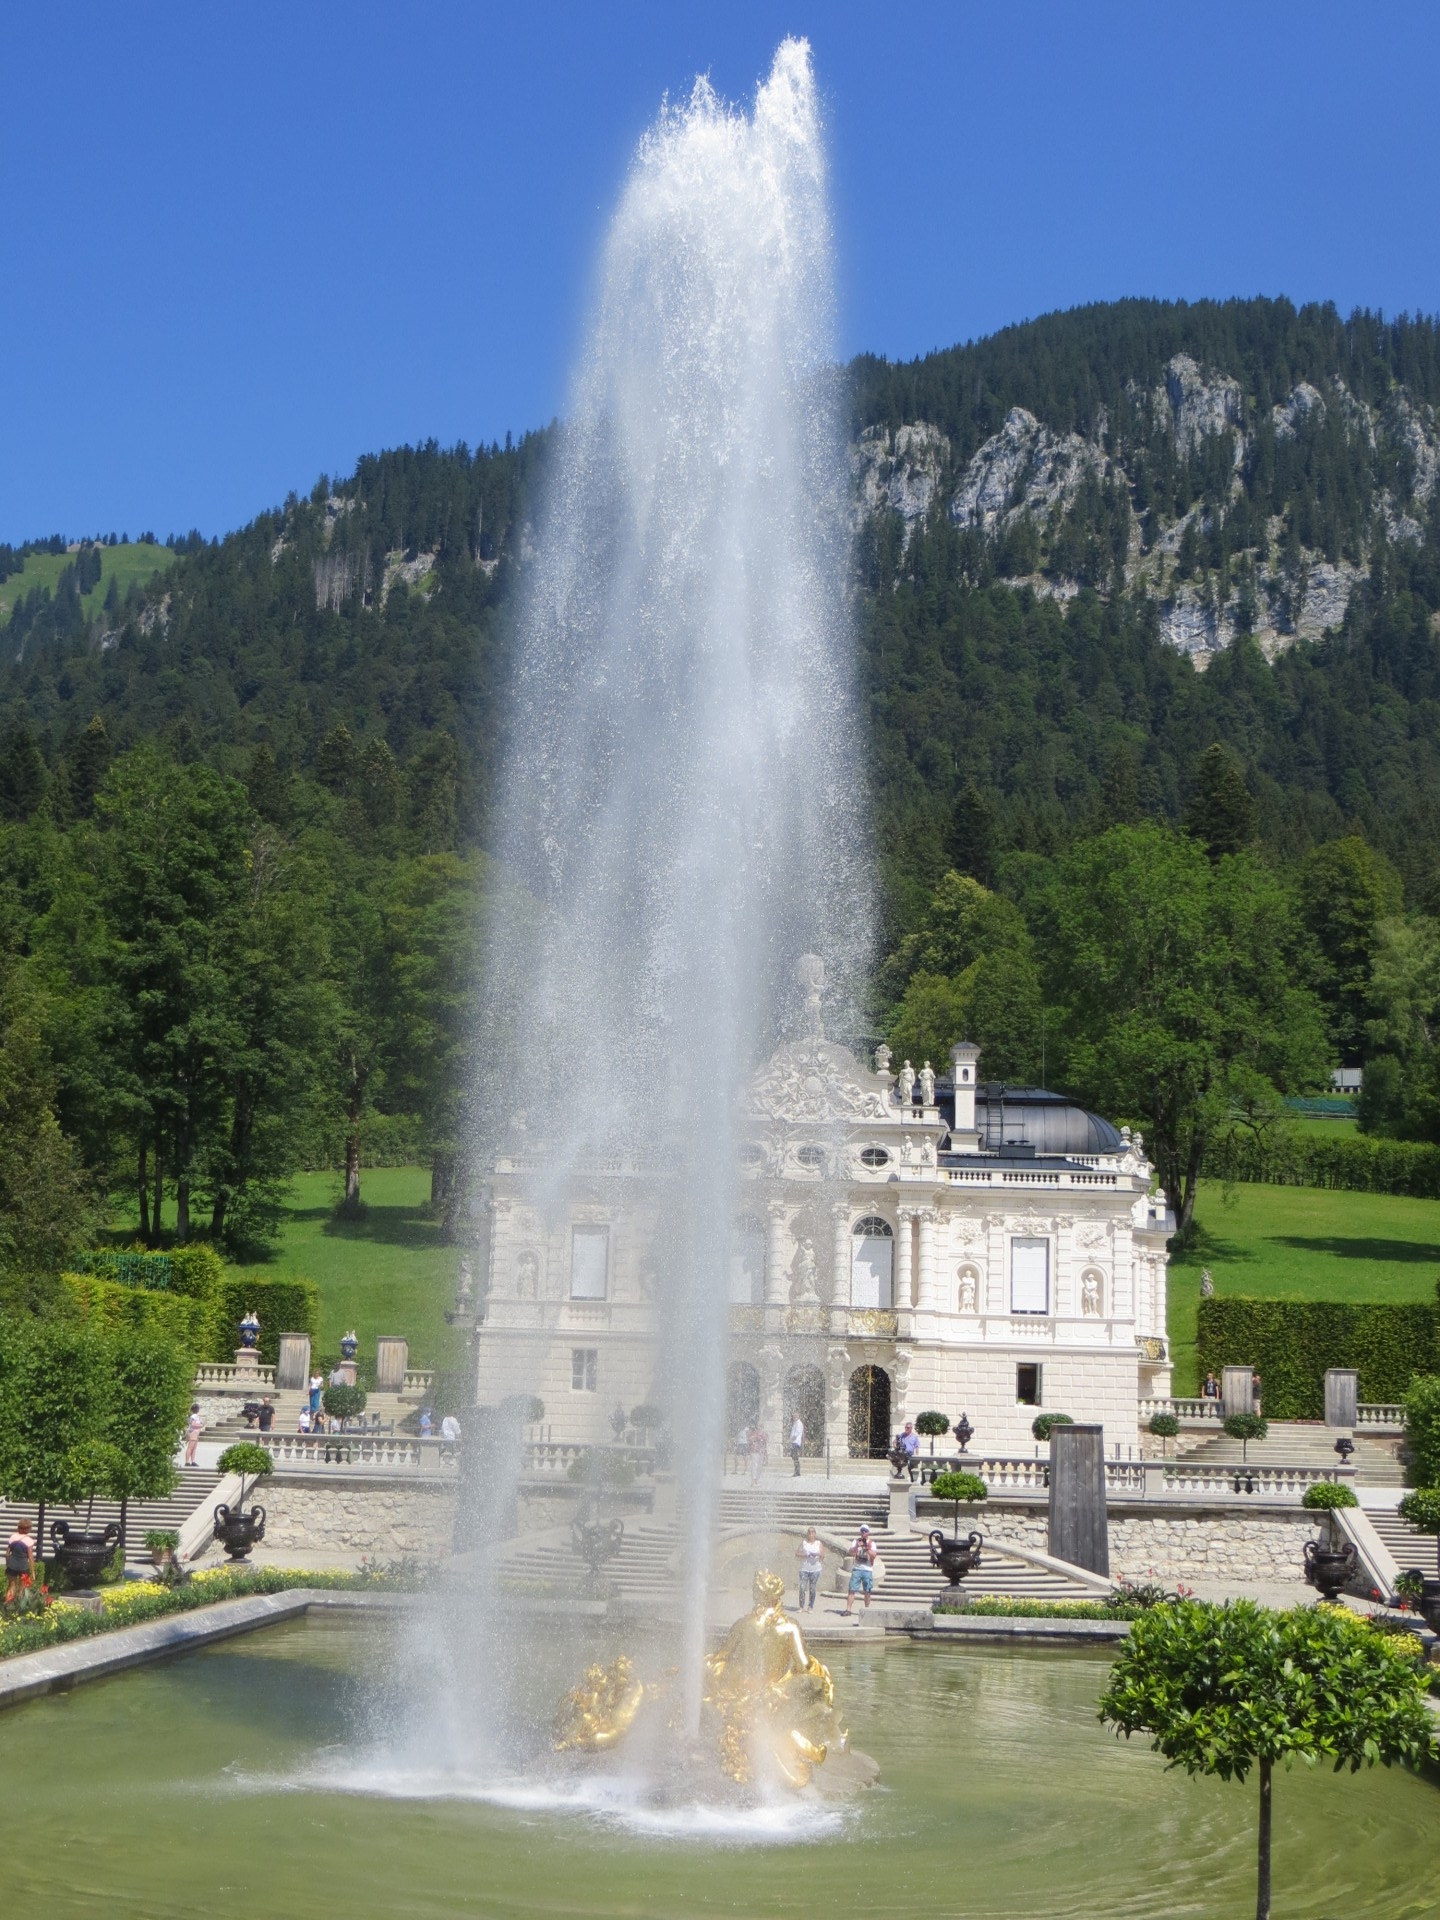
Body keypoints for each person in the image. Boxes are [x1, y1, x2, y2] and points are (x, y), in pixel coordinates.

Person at [844, 1525, 877, 1616]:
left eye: (865, 1531)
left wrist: (866, 1548)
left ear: (868, 1532)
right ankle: (848, 1609)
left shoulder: (872, 1543)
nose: (863, 1532)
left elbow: (874, 1555)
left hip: (867, 1569)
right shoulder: (856, 1541)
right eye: (862, 1531)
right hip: (857, 1568)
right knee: (852, 1589)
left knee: (867, 1590)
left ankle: (866, 1610)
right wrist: (856, 1547)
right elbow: (851, 1552)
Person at [5, 1518, 35, 1604]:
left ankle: (8, 1605)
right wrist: (32, 1571)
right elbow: (30, 1557)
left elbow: (7, 1554)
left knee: (11, 1587)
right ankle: (19, 1608)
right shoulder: (29, 1540)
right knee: (22, 1590)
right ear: (28, 1528)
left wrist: (8, 1564)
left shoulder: (12, 1537)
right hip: (23, 1567)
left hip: (12, 1565)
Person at [795, 1527, 823, 1611]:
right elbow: (796, 1553)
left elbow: (823, 1555)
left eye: (813, 1531)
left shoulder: (818, 1543)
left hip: (815, 1569)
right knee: (802, 1588)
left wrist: (817, 1554)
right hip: (804, 1569)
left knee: (812, 1588)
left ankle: (810, 1606)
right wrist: (805, 1555)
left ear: (815, 1534)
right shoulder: (804, 1543)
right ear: (807, 1533)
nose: (811, 1533)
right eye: (809, 1532)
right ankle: (801, 1606)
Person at [789, 1412, 804, 1477]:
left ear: (797, 1416)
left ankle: (797, 1472)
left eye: (794, 1416)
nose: (793, 1418)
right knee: (794, 1456)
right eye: (793, 1416)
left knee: (795, 1457)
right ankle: (797, 1471)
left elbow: (797, 1432)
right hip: (794, 1442)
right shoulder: (796, 1423)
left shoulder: (798, 1423)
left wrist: (792, 1439)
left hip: (796, 1442)